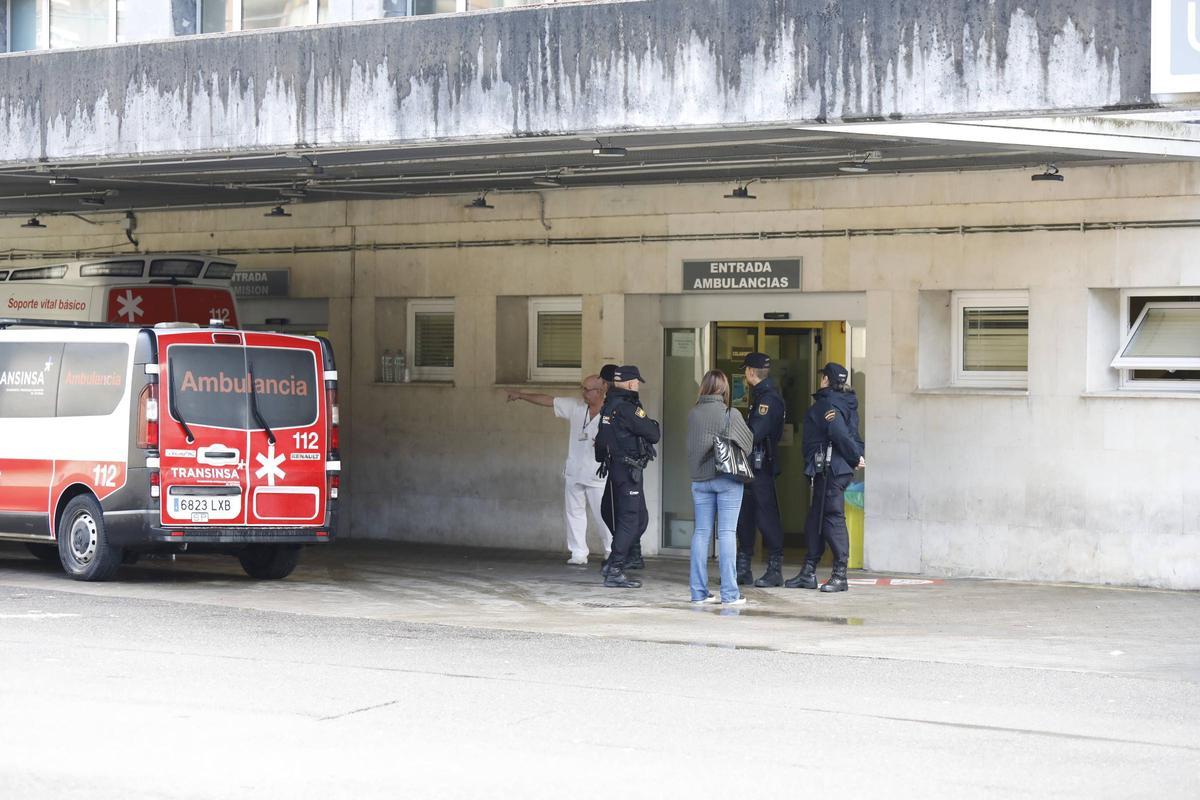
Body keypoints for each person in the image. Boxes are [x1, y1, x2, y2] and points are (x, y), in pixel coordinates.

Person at [507, 375, 611, 565]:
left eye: (587, 389)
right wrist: (521, 395)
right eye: (583, 388)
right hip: (574, 471)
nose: (583, 393)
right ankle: (578, 553)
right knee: (573, 514)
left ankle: (612, 552)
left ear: (600, 391)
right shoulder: (576, 406)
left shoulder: (612, 411)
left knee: (604, 515)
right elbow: (548, 400)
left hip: (598, 474)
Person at [785, 362, 865, 593]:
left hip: (832, 469)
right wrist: (856, 455)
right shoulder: (844, 401)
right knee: (816, 520)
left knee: (832, 518)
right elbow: (854, 435)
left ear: (826, 380)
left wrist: (854, 456)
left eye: (822, 377)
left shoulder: (828, 403)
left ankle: (840, 575)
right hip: (829, 469)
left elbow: (838, 432)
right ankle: (808, 571)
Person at [686, 370, 754, 605]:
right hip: (727, 480)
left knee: (701, 533)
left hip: (700, 481)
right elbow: (748, 443)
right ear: (724, 389)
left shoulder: (693, 413)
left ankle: (698, 592)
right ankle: (730, 594)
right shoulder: (730, 413)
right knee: (726, 534)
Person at [594, 365, 660, 589]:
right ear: (632, 384)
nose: (638, 386)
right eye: (637, 382)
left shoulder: (608, 406)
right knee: (631, 519)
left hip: (615, 470)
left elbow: (601, 442)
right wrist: (652, 424)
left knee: (639, 518)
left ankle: (615, 561)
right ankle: (615, 569)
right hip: (628, 471)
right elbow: (653, 434)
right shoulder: (628, 408)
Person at [734, 352, 787, 588]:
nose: (745, 374)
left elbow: (754, 433)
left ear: (751, 372)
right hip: (751, 466)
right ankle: (743, 568)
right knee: (745, 516)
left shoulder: (768, 400)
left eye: (746, 370)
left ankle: (775, 569)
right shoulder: (760, 396)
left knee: (766, 517)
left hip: (761, 466)